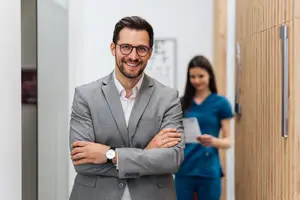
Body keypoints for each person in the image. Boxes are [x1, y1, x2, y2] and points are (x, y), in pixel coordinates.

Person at [69, 16, 185, 200]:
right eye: (126, 47)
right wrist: (147, 154)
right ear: (113, 48)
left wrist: (111, 155)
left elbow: (173, 159)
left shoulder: (168, 98)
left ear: (150, 52)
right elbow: (82, 162)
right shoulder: (85, 96)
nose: (133, 56)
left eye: (141, 49)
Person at [174, 55, 234, 200]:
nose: (196, 80)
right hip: (184, 170)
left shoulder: (221, 103)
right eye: (192, 77)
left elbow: (229, 141)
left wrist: (212, 141)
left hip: (209, 171)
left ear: (210, 76)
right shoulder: (181, 103)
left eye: (201, 76)